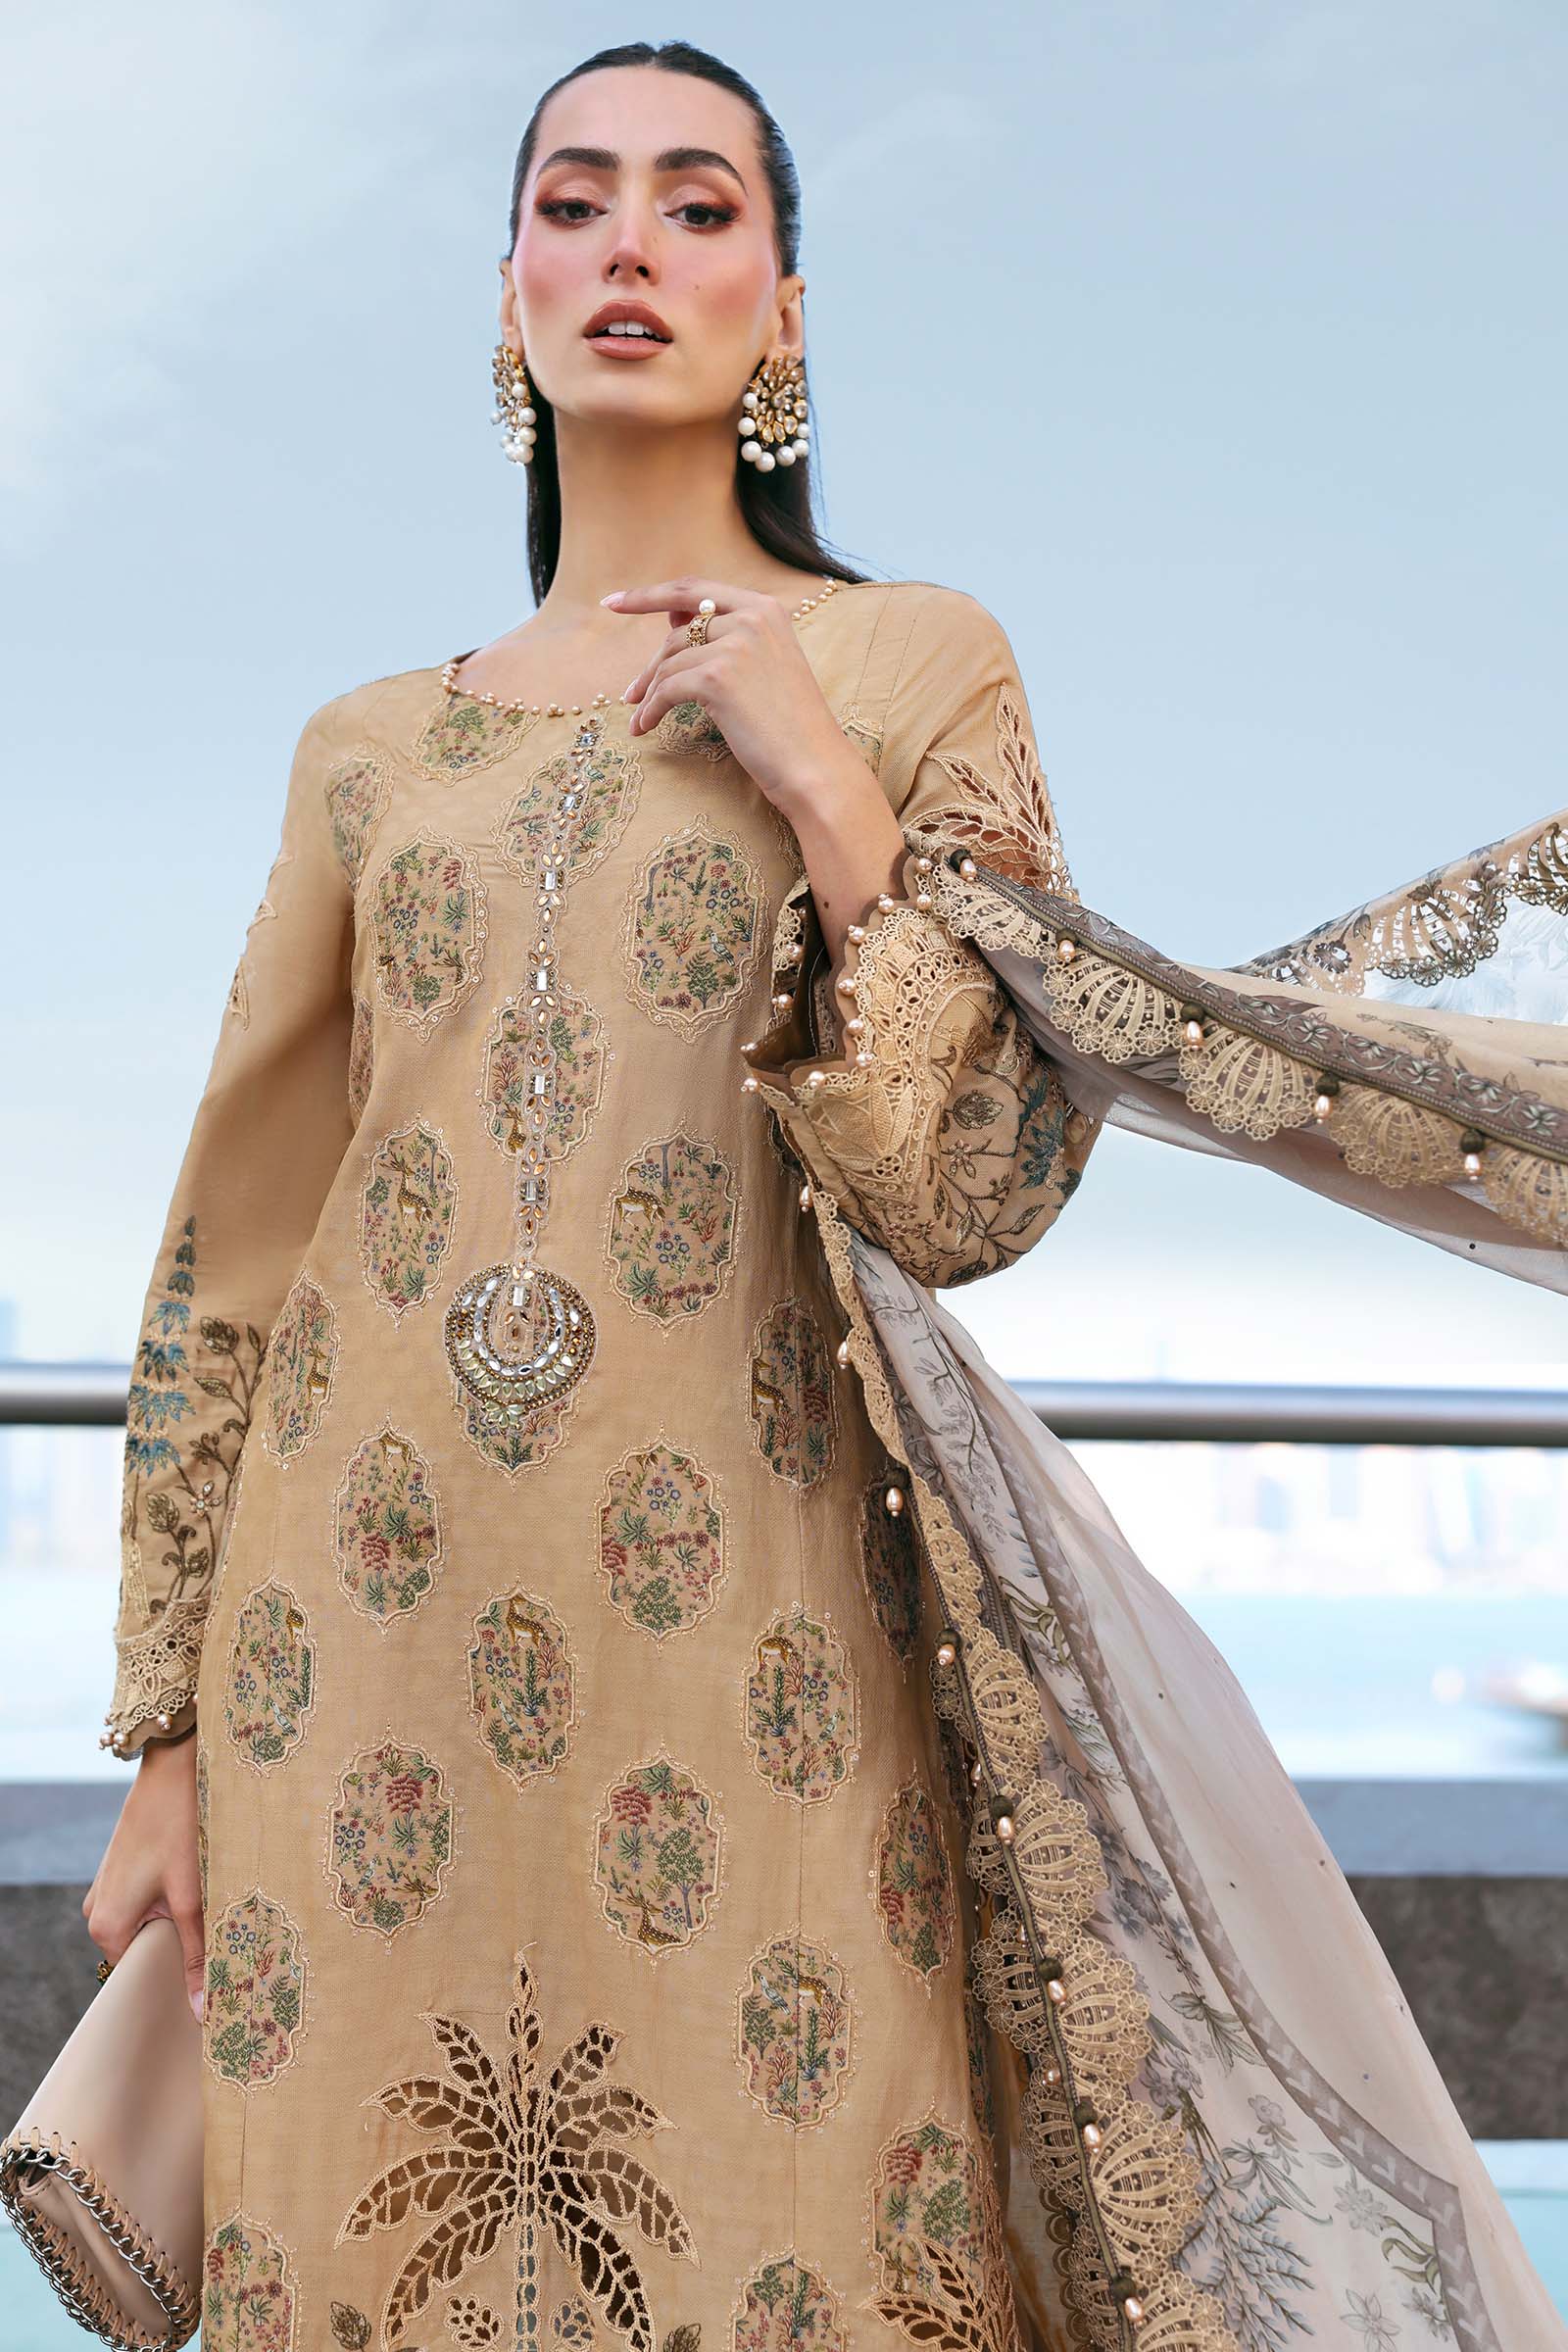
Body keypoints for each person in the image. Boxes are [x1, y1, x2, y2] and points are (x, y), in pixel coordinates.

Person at [81, 35, 1568, 2352]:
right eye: (572, 200)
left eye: (697, 205)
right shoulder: (365, 750)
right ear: (506, 294)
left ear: (782, 313)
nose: (628, 245)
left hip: (757, 1620)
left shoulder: (906, 662)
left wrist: (818, 787)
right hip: (346, 1648)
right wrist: (170, 1739)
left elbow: (966, 1180)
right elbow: (238, 1253)